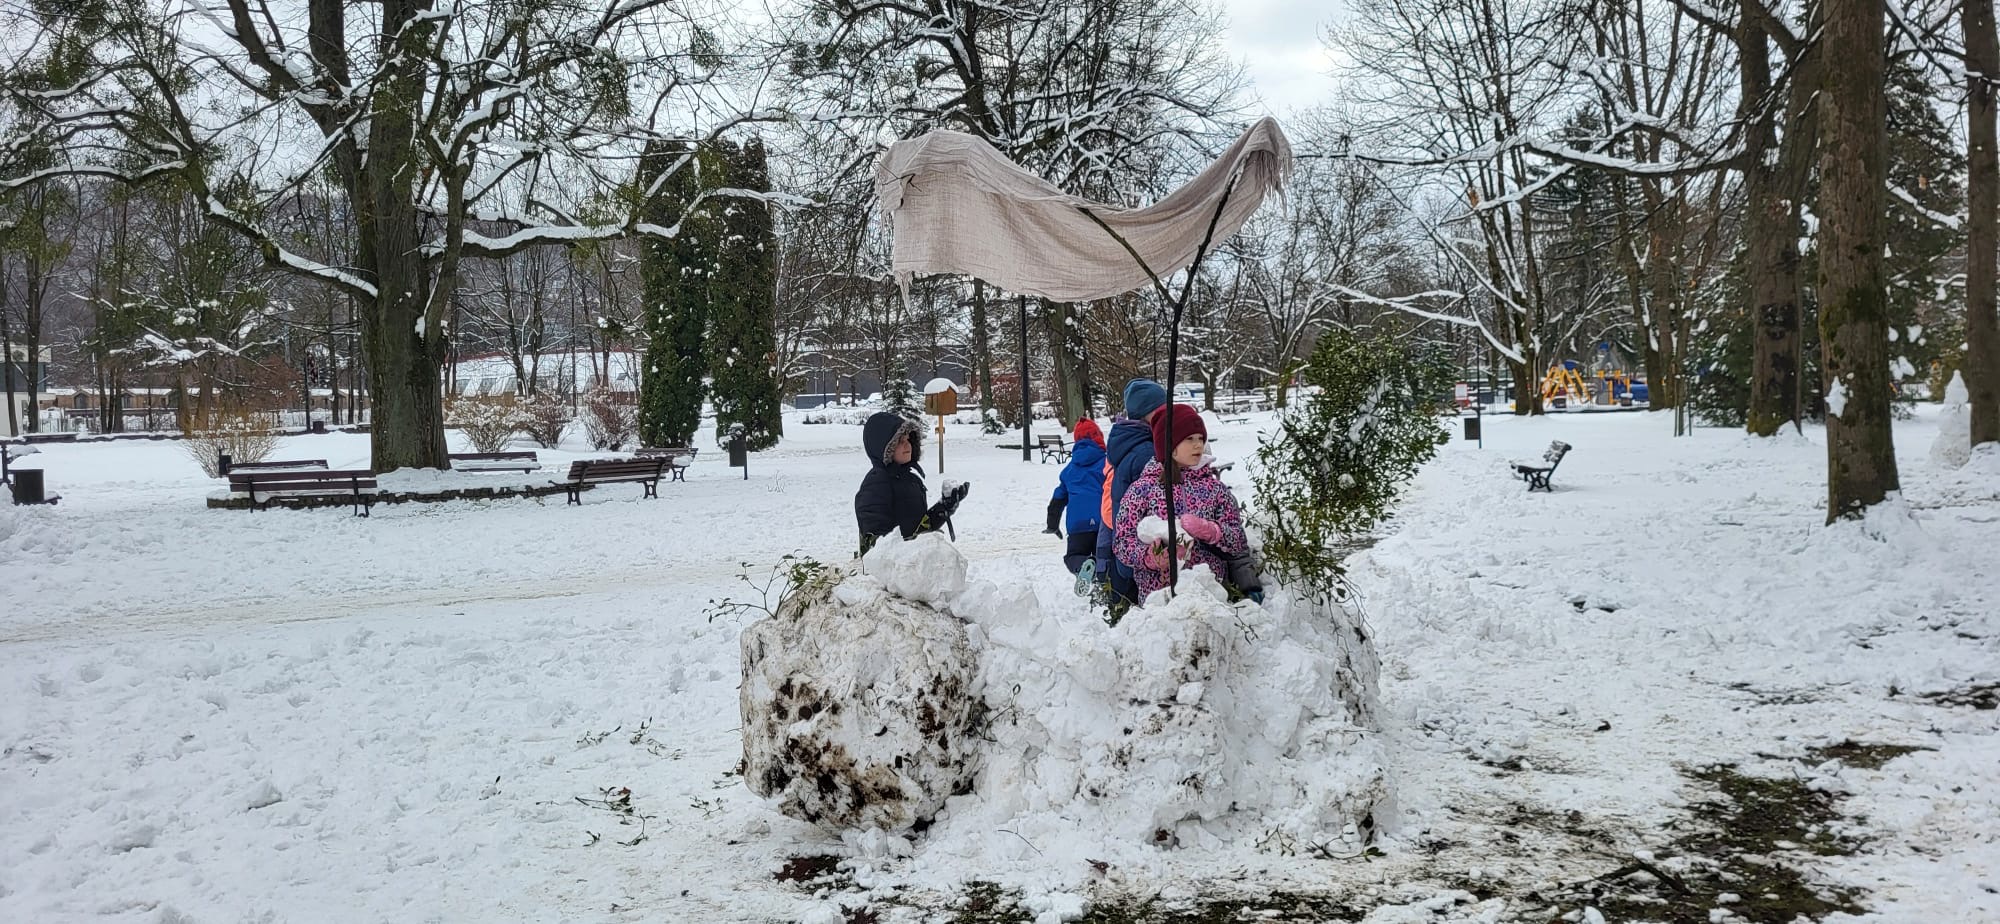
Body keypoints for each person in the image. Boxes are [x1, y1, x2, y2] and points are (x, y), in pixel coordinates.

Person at [1113, 404, 1248, 602]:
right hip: (1160, 599)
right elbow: (1122, 542)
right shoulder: (1142, 490)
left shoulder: (1215, 489)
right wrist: (1149, 557)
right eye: (1189, 439)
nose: (1198, 445)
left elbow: (1238, 540)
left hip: (1210, 595)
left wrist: (1212, 531)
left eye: (1201, 438)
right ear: (1168, 444)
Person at [1093, 379, 1169, 604]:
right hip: (1144, 555)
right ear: (1150, 414)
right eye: (1164, 409)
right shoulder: (1146, 452)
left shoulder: (1130, 443)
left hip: (1129, 552)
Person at [855, 411, 968, 555]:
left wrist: (945, 506)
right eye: (900, 442)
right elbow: (878, 548)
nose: (907, 445)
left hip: (916, 564)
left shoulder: (911, 480)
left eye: (908, 439)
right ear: (884, 447)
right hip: (895, 567)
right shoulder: (875, 486)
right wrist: (910, 555)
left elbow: (919, 529)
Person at [1044, 417, 1107, 589]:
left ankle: (1083, 564)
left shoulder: (1070, 470)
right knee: (1105, 557)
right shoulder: (1106, 464)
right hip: (1102, 523)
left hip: (1077, 526)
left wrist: (1052, 525)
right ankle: (1103, 582)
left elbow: (1058, 499)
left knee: (1073, 556)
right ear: (1099, 437)